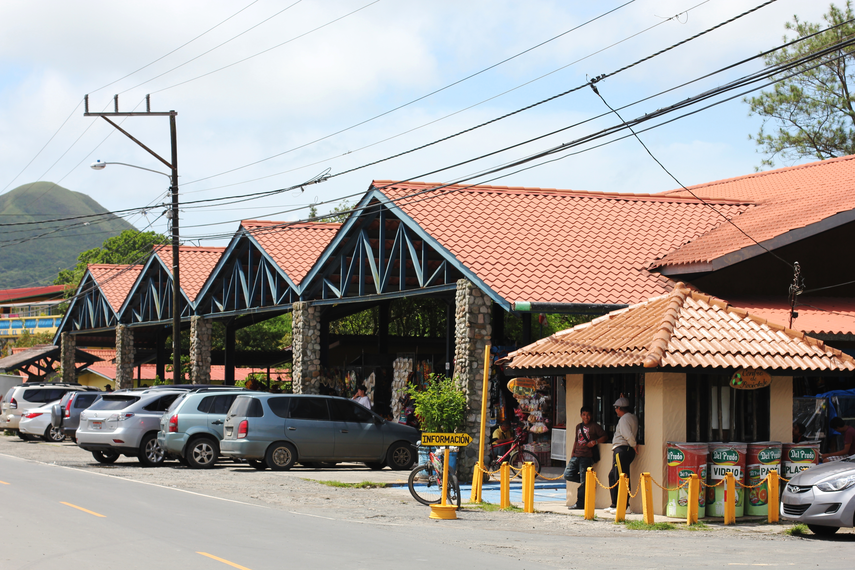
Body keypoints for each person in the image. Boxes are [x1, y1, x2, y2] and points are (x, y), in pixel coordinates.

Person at [564, 406, 607, 510]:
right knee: (567, 475)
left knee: (584, 481)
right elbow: (576, 440)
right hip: (576, 455)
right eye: (584, 414)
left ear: (591, 416)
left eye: (588, 415)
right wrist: (572, 453)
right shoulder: (578, 426)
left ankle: (580, 503)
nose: (586, 417)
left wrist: (595, 442)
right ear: (581, 415)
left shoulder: (595, 426)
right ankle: (588, 482)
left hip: (586, 457)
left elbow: (605, 436)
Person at [605, 396, 639, 515]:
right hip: (624, 449)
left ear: (619, 408)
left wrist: (633, 445)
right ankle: (615, 504)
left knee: (621, 477)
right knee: (613, 476)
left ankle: (624, 506)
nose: (615, 411)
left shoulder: (624, 419)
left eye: (616, 408)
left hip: (622, 449)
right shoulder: (632, 417)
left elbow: (627, 434)